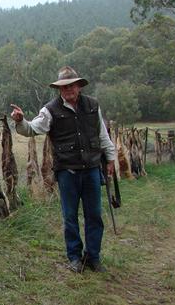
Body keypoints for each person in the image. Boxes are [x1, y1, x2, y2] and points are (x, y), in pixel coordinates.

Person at [10, 66, 115, 273]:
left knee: (94, 215)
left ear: (78, 86)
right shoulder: (50, 110)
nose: (68, 90)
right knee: (70, 216)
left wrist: (110, 158)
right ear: (59, 89)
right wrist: (21, 121)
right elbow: (31, 129)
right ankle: (74, 257)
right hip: (67, 171)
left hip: (92, 168)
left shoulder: (93, 105)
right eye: (63, 87)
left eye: (71, 85)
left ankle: (93, 257)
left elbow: (102, 135)